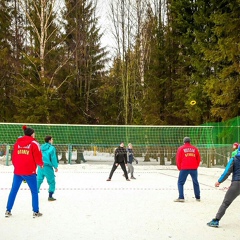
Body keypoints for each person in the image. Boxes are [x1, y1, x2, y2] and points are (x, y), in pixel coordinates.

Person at [5, 125, 44, 218]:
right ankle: (36, 211)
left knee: (13, 191)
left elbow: (14, 157)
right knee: (34, 191)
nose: (35, 134)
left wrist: (17, 166)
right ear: (31, 134)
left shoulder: (17, 143)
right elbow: (38, 156)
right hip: (29, 171)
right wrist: (41, 164)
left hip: (18, 171)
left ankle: (8, 210)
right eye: (34, 133)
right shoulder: (34, 143)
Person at [207, 145, 240, 228]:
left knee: (226, 203)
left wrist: (219, 181)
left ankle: (216, 220)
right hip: (236, 183)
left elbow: (226, 172)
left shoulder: (234, 159)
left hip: (237, 183)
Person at [174, 137, 201, 202]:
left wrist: (179, 167)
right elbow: (198, 158)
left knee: (180, 182)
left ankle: (181, 197)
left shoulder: (181, 148)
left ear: (184, 141)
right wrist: (196, 166)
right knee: (195, 182)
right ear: (190, 141)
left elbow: (178, 159)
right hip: (194, 168)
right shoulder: (195, 148)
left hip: (184, 168)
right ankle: (198, 197)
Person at [37, 136, 58, 201]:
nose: (52, 140)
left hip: (40, 166)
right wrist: (55, 166)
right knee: (52, 181)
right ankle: (50, 196)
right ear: (49, 140)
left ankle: (34, 194)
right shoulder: (52, 148)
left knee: (39, 180)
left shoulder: (40, 147)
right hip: (47, 167)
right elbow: (53, 158)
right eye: (52, 139)